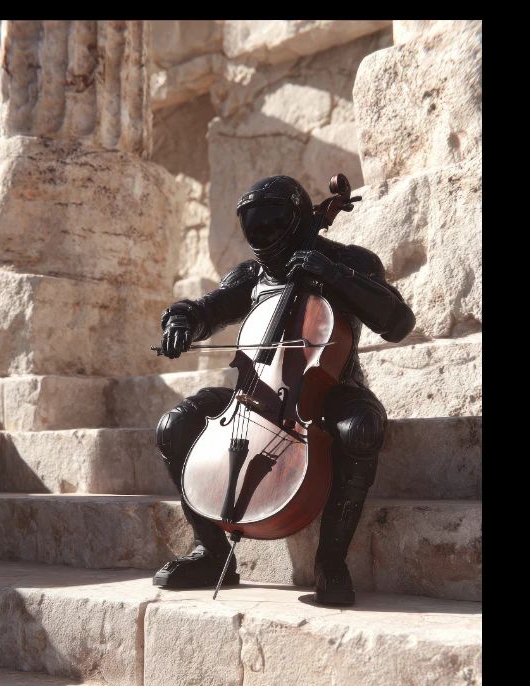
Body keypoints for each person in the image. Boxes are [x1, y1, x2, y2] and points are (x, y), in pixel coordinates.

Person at [152, 175, 415, 604]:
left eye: (272, 224)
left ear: (296, 220)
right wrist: (180, 320)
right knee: (173, 426)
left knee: (361, 427)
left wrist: (333, 275)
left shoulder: (351, 262)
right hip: (254, 394)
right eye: (254, 227)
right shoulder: (253, 275)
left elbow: (398, 323)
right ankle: (211, 552)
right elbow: (208, 308)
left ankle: (331, 562)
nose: (264, 236)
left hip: (330, 388)